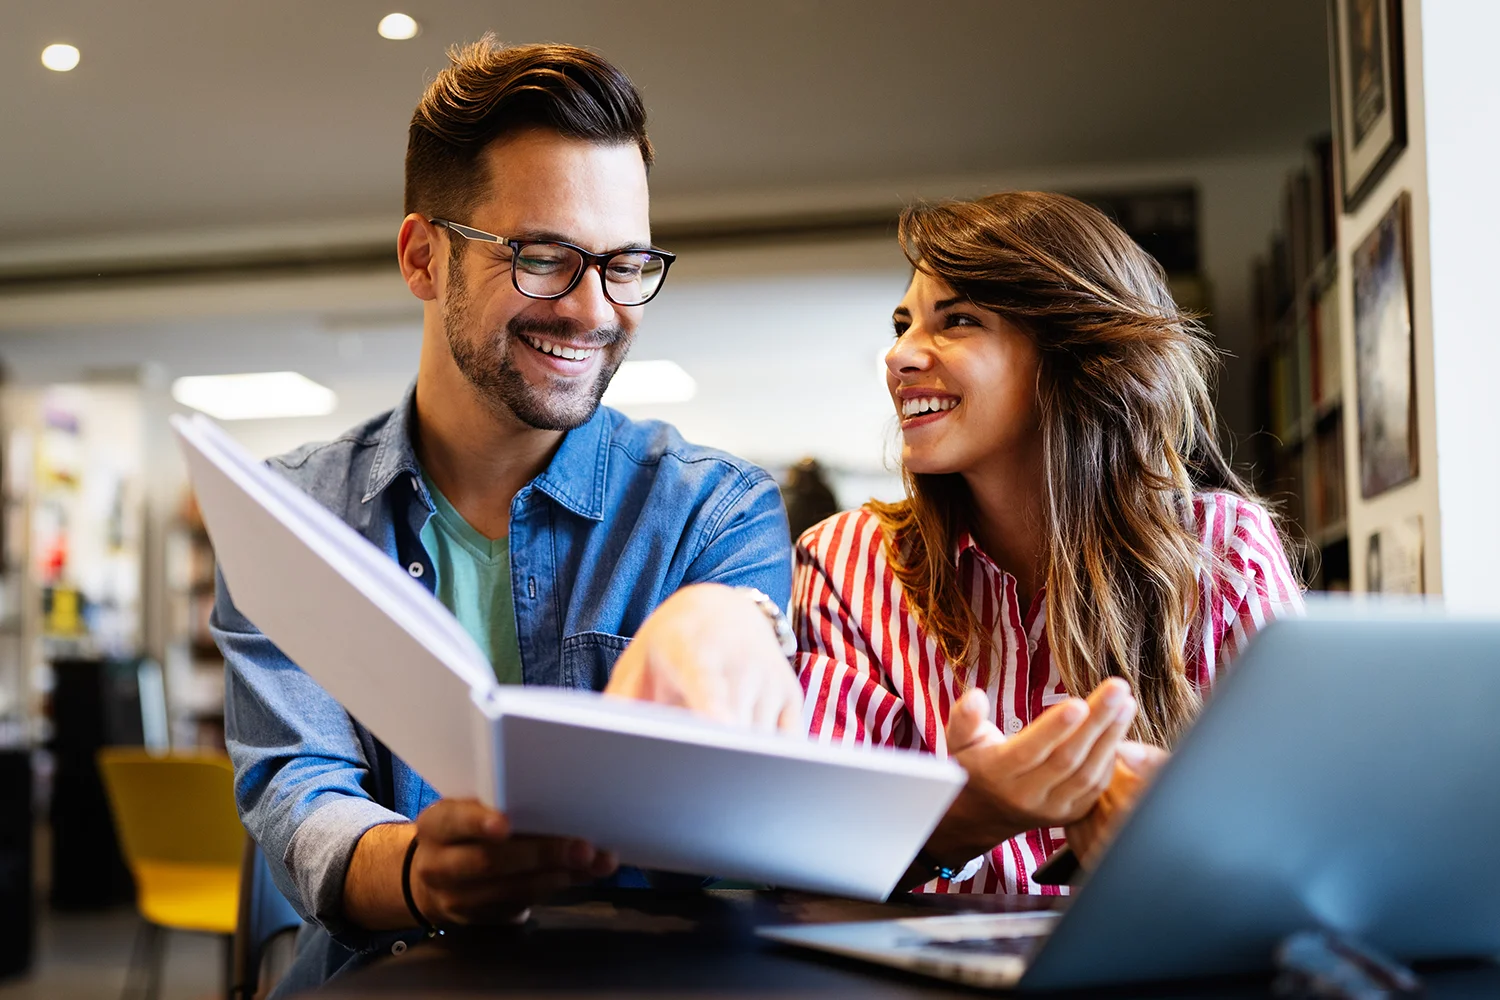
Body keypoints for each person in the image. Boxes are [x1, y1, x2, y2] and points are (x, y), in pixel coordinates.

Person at [214, 38, 801, 990]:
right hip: (384, 971)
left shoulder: (715, 506)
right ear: (422, 257)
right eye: (542, 258)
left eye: (626, 263)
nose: (592, 309)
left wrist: (734, 629)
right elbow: (300, 791)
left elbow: (748, 794)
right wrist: (419, 872)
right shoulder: (293, 514)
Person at [794, 192, 1303, 895]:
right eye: (904, 322)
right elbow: (807, 859)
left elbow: (1304, 837)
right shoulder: (846, 565)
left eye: (958, 320)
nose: (901, 354)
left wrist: (1177, 832)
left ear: (1071, 355)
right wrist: (968, 817)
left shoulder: (1227, 551)